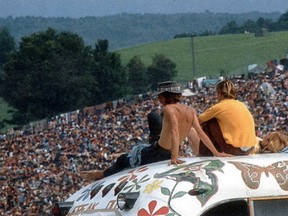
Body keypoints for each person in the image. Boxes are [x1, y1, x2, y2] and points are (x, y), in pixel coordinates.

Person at [81, 81, 231, 181]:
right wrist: (216, 153)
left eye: (160, 97)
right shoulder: (190, 110)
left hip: (158, 153)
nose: (159, 100)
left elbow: (175, 131)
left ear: (163, 97)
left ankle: (100, 175)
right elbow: (200, 133)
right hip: (169, 150)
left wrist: (174, 157)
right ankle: (100, 173)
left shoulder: (168, 109)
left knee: (124, 160)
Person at [190, 79, 257, 156]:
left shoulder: (219, 107)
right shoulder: (241, 104)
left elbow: (197, 122)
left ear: (219, 94)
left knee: (210, 122)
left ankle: (205, 153)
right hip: (249, 148)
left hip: (235, 149)